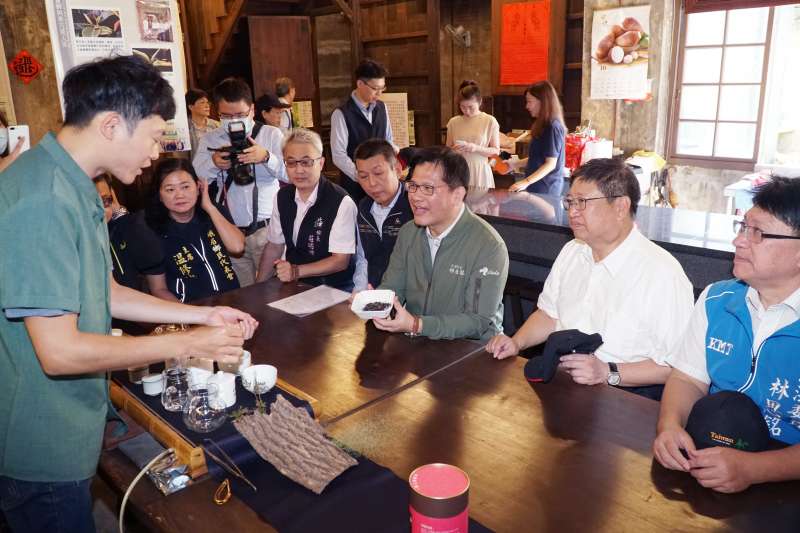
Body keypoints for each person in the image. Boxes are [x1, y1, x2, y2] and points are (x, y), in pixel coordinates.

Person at [0, 55, 257, 533]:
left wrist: (202, 316)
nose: (156, 152)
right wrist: (188, 343)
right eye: (154, 136)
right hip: (42, 440)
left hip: (70, 423)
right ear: (112, 125)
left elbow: (105, 291)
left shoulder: (73, 184)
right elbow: (59, 352)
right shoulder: (44, 199)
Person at [487, 158, 694, 399]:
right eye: (570, 202)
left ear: (620, 207)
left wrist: (607, 372)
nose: (572, 212)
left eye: (582, 202)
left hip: (626, 395)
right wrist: (516, 342)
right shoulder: (573, 251)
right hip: (563, 381)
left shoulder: (662, 273)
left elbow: (679, 367)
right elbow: (549, 314)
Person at [654, 176, 800, 493]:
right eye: (743, 227)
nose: (739, 241)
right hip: (709, 455)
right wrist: (669, 426)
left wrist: (754, 469)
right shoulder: (717, 299)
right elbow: (687, 379)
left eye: (758, 232)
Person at [370, 146, 509, 341]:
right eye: (413, 186)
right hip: (418, 340)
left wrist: (417, 324)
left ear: (457, 195)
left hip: (470, 349)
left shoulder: (488, 245)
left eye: (428, 188)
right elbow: (393, 287)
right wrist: (372, 303)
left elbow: (477, 321)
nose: (415, 196)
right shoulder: (409, 232)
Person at [193, 77, 288, 287]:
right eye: (227, 116)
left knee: (274, 290)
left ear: (252, 109)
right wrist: (214, 163)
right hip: (231, 231)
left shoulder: (271, 135)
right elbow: (197, 178)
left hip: (267, 230)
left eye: (240, 115)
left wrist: (266, 157)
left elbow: (290, 175)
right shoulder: (210, 140)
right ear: (218, 113)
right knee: (241, 293)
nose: (234, 120)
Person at [256, 128, 357, 290]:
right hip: (296, 285)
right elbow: (275, 246)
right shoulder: (282, 197)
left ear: (321, 163)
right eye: (291, 162)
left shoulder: (341, 201)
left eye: (306, 162)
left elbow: (340, 261)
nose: (299, 170)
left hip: (333, 288)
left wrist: (296, 271)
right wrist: (258, 287)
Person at [142, 158, 244, 302]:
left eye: (185, 187)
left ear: (198, 187)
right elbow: (158, 289)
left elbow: (237, 247)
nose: (179, 195)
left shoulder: (214, 213)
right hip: (191, 308)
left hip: (231, 301)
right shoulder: (152, 231)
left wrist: (210, 207)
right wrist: (189, 314)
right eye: (170, 189)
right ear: (159, 195)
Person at [352, 139, 414, 291]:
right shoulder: (364, 208)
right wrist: (359, 292)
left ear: (397, 170)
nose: (371, 183)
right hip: (373, 293)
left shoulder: (414, 206)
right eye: (363, 176)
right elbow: (363, 258)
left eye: (378, 173)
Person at [330, 59, 394, 203]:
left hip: (382, 183)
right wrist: (362, 176)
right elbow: (339, 155)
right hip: (354, 186)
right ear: (360, 84)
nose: (379, 93)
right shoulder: (341, 114)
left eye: (382, 88)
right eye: (375, 88)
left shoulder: (382, 108)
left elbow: (388, 141)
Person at [94, 175, 169, 297]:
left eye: (105, 201)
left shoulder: (118, 229)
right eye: (90, 203)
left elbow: (152, 258)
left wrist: (119, 214)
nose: (100, 210)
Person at [507, 81, 566, 196]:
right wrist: (515, 164)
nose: (527, 106)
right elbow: (537, 158)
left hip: (547, 188)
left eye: (530, 101)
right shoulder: (542, 125)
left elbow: (550, 164)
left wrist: (525, 182)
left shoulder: (552, 127)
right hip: (537, 186)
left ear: (543, 102)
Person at [445, 80, 500, 191]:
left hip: (480, 171)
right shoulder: (453, 122)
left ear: (480, 102)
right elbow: (447, 150)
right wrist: (454, 151)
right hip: (459, 170)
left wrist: (475, 148)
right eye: (463, 107)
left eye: (471, 107)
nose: (467, 111)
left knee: (481, 201)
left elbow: (496, 151)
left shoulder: (489, 121)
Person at [186, 89, 220, 161]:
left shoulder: (216, 125)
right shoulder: (185, 128)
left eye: (207, 102)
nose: (207, 106)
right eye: (202, 102)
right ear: (191, 107)